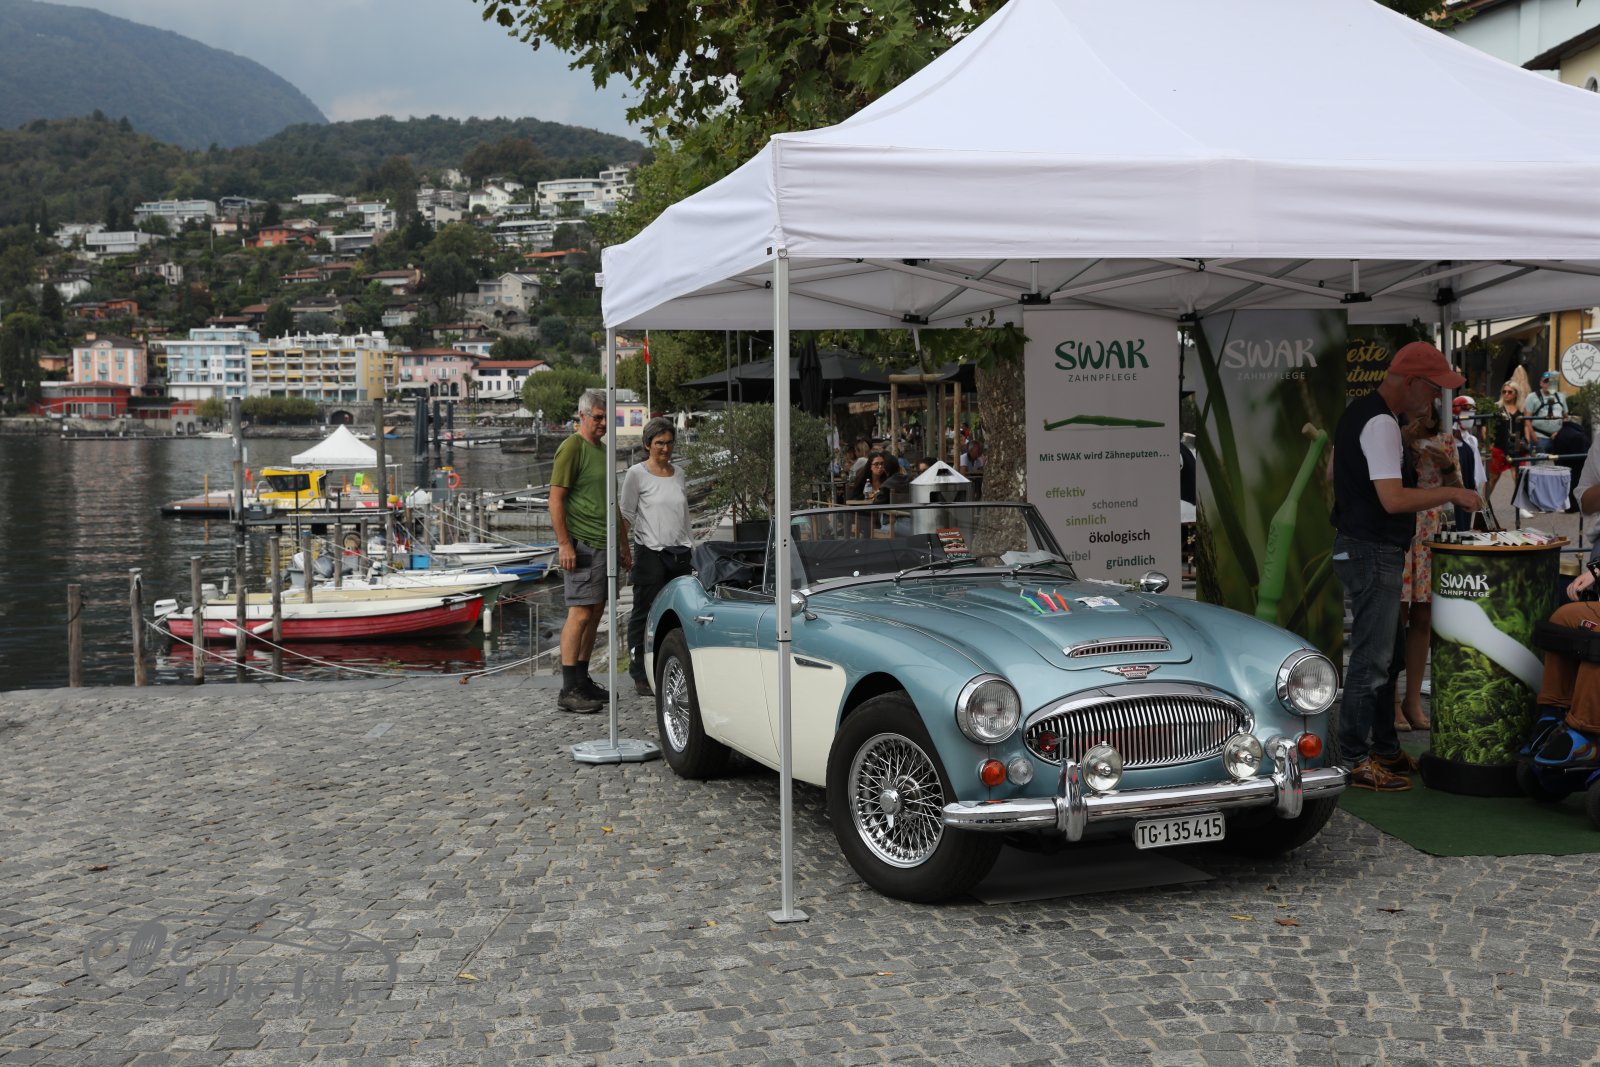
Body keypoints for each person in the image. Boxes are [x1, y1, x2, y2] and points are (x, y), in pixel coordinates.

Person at [1329, 341, 1481, 792]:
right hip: (1372, 549)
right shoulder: (1380, 422)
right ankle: (1353, 757)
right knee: (1373, 659)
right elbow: (1392, 500)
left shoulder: (1370, 415)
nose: (1435, 400)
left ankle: (1383, 747)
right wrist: (1452, 492)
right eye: (1433, 389)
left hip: (1367, 547)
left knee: (1388, 654)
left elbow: (1338, 475)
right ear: (1412, 382)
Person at [549, 388, 631, 714]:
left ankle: (582, 681)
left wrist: (623, 545)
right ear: (582, 416)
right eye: (597, 417)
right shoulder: (572, 447)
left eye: (607, 418)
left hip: (605, 545)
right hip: (582, 544)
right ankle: (568, 688)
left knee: (595, 613)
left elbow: (612, 503)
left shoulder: (604, 451)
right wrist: (564, 544)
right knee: (580, 613)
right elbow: (555, 499)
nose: (603, 423)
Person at [1395, 405, 1461, 732]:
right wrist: (1403, 444)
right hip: (1400, 528)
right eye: (1416, 412)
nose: (1421, 418)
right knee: (1396, 617)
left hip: (1431, 531)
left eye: (1427, 413)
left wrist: (1446, 463)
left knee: (1423, 617)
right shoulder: (1393, 438)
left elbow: (1459, 489)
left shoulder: (1446, 441)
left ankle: (1412, 701)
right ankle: (1392, 702)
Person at [620, 417, 693, 697]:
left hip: (680, 552)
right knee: (643, 612)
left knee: (678, 614)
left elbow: (683, 515)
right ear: (647, 444)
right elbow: (626, 515)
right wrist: (624, 550)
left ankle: (672, 667)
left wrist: (692, 546)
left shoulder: (679, 473)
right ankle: (639, 672)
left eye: (669, 442)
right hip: (650, 551)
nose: (665, 448)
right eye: (660, 442)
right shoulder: (636, 474)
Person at [1485, 380, 1525, 500]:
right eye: (1504, 391)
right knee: (1493, 478)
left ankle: (1520, 505)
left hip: (1516, 446)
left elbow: (1525, 427)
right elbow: (1486, 428)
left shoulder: (1521, 409)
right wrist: (1488, 444)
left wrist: (1525, 442)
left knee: (1518, 477)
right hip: (1499, 447)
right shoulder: (1496, 408)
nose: (1506, 394)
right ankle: (1483, 503)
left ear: (1516, 394)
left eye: (1510, 392)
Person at [1451, 395, 1483, 532]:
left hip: (1469, 490)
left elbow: (1478, 473)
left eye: (1472, 413)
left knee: (1465, 528)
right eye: (1466, 412)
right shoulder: (1449, 438)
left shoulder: (1472, 440)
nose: (1471, 417)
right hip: (1453, 492)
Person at [1525, 371, 1568, 453]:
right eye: (1545, 382)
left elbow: (1565, 417)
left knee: (1559, 461)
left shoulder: (1561, 397)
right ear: (1541, 383)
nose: (1548, 384)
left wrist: (1560, 433)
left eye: (1551, 382)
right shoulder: (1532, 397)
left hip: (1558, 437)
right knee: (1540, 461)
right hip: (1540, 437)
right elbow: (1527, 419)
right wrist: (1534, 437)